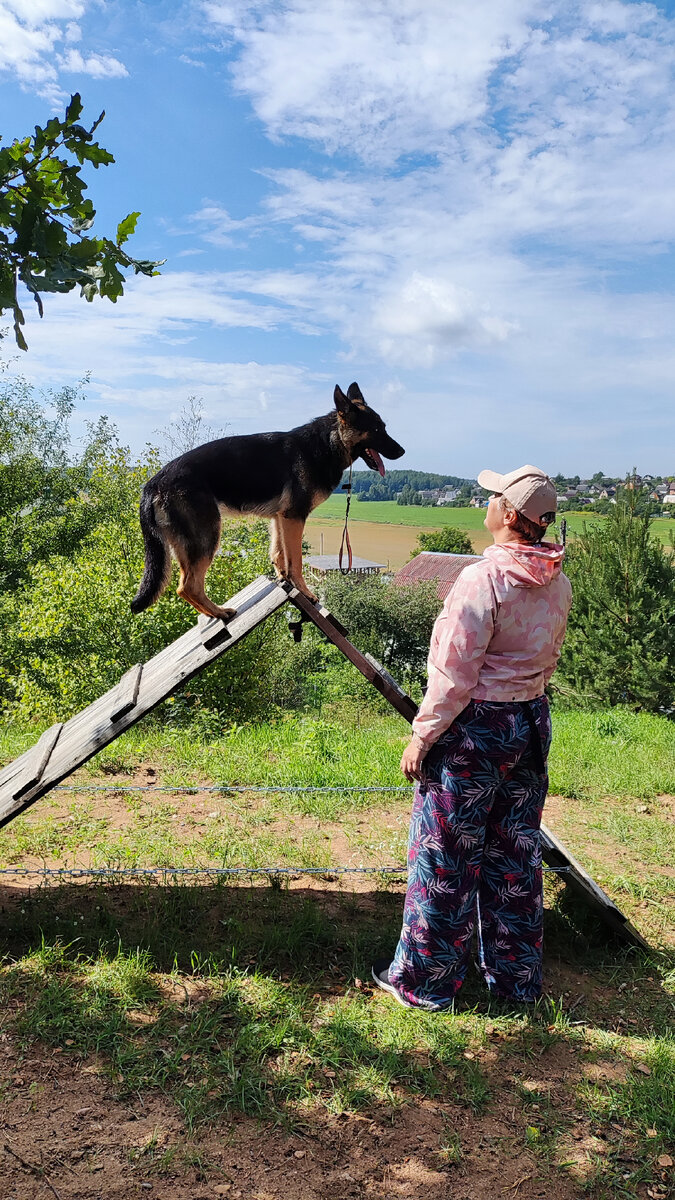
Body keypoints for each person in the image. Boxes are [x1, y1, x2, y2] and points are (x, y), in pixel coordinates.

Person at [372, 465, 572, 1010]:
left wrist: (422, 737)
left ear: (510, 515)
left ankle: (425, 982)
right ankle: (515, 983)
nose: (483, 504)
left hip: (475, 732)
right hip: (529, 725)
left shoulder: (481, 580)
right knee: (515, 855)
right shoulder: (559, 579)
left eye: (492, 498)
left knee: (445, 857)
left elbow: (454, 675)